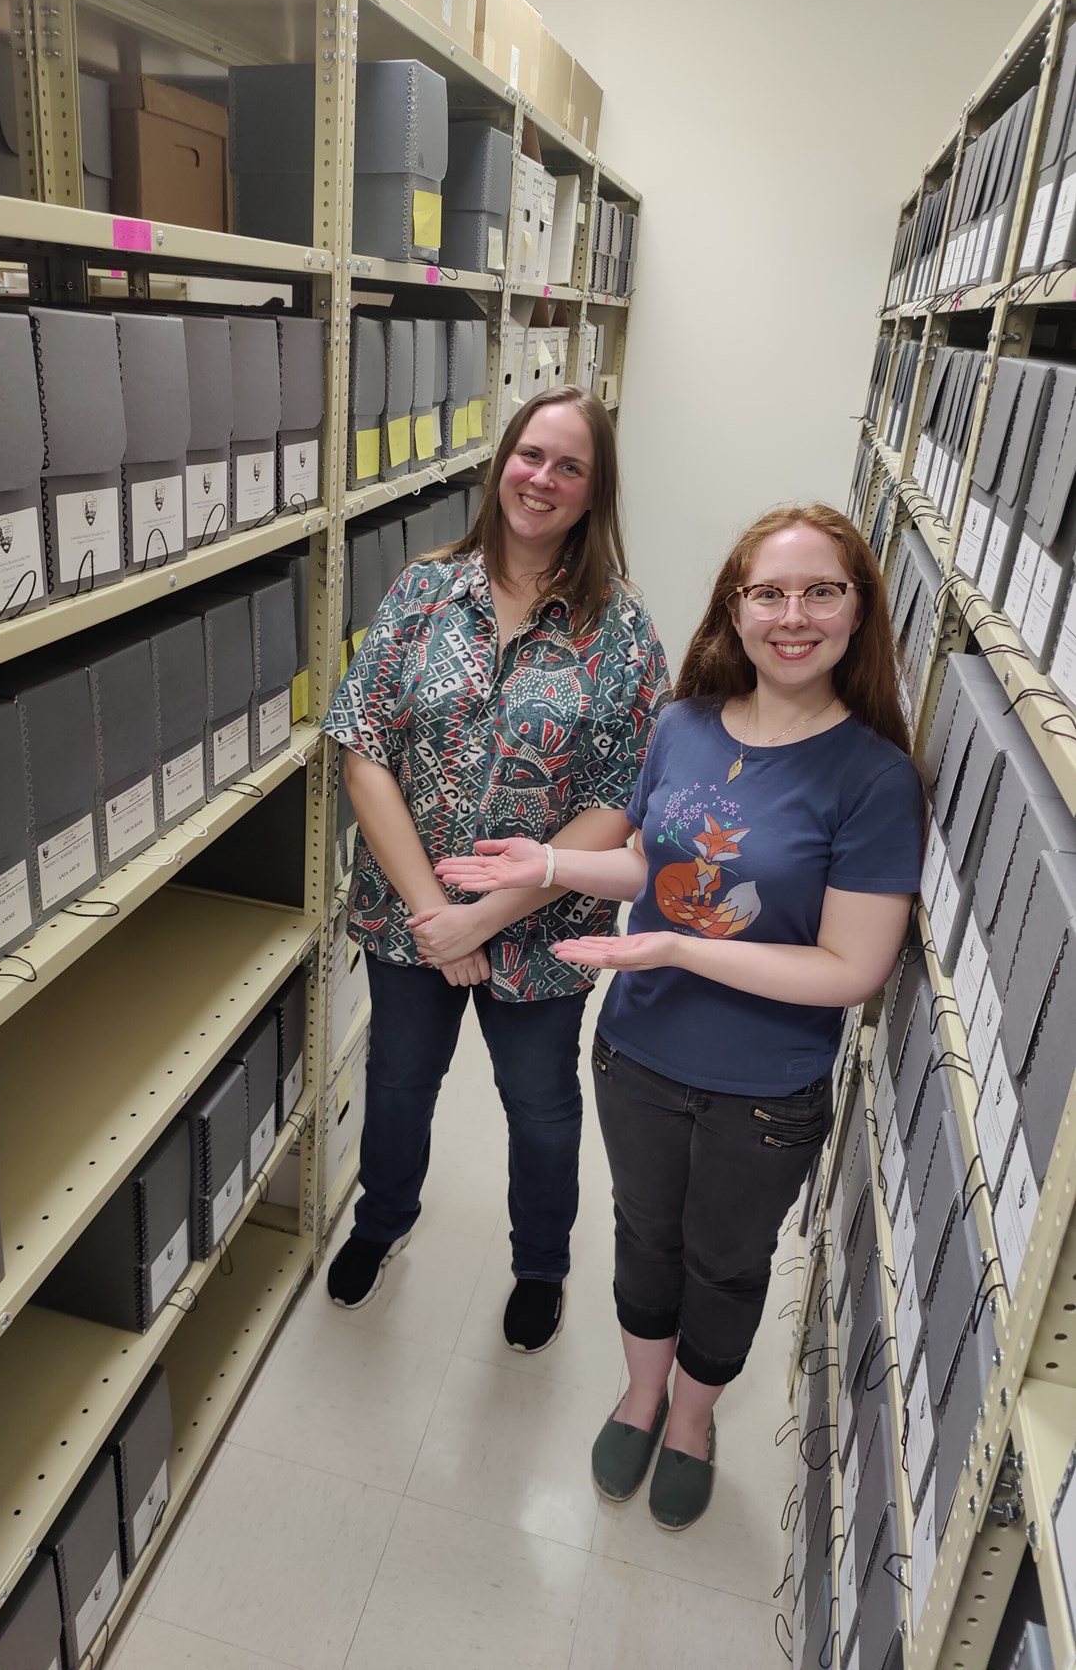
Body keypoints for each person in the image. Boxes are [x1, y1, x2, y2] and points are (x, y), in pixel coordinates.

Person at [436, 503, 923, 1526]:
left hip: (766, 1086)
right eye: (769, 593)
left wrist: (672, 944)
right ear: (734, 611)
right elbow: (656, 865)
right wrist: (554, 862)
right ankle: (642, 1390)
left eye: (820, 591)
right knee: (645, 1233)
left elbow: (851, 968)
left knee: (728, 1257)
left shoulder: (873, 776)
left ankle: (695, 1416)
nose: (793, 615)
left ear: (856, 609)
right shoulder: (683, 724)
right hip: (638, 1050)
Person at [320, 385, 669, 1353]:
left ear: (594, 493)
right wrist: (440, 916)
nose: (541, 478)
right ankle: (381, 1222)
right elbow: (363, 750)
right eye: (530, 454)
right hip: (410, 917)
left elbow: (621, 797)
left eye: (569, 466)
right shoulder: (424, 590)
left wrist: (494, 914)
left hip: (544, 927)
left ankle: (539, 1265)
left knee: (541, 1105)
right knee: (398, 1081)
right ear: (501, 461)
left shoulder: (623, 632)